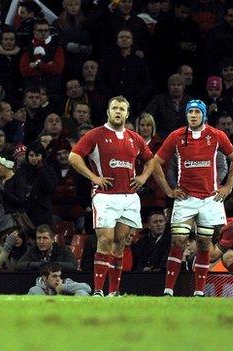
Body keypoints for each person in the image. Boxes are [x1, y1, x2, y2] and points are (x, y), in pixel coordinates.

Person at [68, 96, 159, 297]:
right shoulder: (95, 135)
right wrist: (94, 177)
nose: (118, 112)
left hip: (128, 197)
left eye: (122, 109)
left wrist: (143, 177)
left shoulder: (135, 138)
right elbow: (73, 157)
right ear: (108, 112)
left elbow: (151, 160)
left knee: (120, 242)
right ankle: (98, 290)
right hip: (104, 196)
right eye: (114, 108)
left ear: (127, 114)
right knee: (105, 239)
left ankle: (113, 292)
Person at [152, 99, 233, 297]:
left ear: (204, 115)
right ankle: (168, 290)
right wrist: (168, 190)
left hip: (210, 199)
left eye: (197, 112)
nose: (193, 115)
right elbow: (155, 162)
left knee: (203, 244)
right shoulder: (176, 136)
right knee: (178, 240)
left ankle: (199, 292)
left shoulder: (217, 135)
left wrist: (227, 187)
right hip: (185, 199)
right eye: (190, 112)